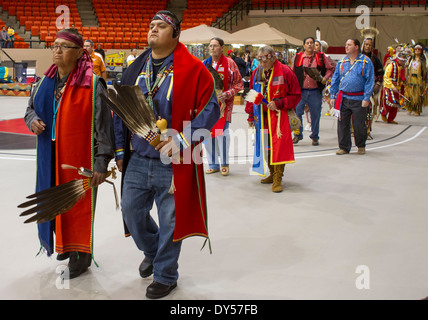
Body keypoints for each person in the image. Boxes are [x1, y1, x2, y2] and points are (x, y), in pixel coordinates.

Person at [113, 10, 220, 299]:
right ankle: (152, 250)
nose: (153, 30)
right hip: (138, 156)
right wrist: (121, 150)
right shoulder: (135, 68)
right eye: (151, 25)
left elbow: (211, 110)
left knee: (171, 220)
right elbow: (120, 110)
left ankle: (165, 275)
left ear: (175, 34)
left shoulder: (195, 69)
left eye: (161, 26)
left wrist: (183, 140)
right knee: (131, 211)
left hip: (174, 161)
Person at [24, 28, 115, 279]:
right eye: (54, 45)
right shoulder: (45, 82)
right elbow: (29, 109)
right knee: (55, 203)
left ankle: (81, 257)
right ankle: (63, 245)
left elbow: (104, 128)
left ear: (78, 53)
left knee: (77, 205)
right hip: (50, 156)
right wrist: (32, 120)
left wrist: (101, 163)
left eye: (64, 46)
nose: (57, 50)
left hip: (79, 159)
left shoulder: (93, 84)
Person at [245, 46, 301, 193]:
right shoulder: (257, 73)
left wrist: (279, 103)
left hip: (278, 116)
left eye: (264, 62)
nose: (262, 65)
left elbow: (296, 95)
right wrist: (250, 115)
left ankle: (278, 178)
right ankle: (271, 173)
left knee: (279, 148)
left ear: (273, 58)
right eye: (260, 61)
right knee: (265, 147)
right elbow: (252, 94)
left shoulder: (286, 71)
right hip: (261, 117)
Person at [203, 37, 243, 176]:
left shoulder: (230, 63)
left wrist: (228, 94)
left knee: (222, 135)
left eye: (215, 46)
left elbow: (239, 84)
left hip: (224, 106)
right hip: (208, 106)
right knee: (208, 135)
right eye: (210, 45)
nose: (212, 48)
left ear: (222, 47)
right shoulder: (204, 64)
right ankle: (213, 164)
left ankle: (224, 163)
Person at [330, 39, 375, 155]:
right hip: (343, 98)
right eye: (346, 45)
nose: (346, 47)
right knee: (342, 124)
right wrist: (332, 95)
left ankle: (361, 145)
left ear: (357, 47)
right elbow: (335, 79)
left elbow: (370, 81)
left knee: (359, 124)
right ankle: (344, 147)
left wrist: (366, 98)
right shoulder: (341, 62)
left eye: (349, 45)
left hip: (359, 99)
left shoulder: (365, 61)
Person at [292, 36, 334, 146]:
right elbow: (292, 72)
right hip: (301, 91)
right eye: (308, 43)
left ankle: (315, 136)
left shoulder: (320, 57)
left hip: (315, 91)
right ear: (304, 45)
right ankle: (297, 134)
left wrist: (325, 78)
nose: (310, 44)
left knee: (315, 114)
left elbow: (330, 68)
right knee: (297, 112)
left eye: (312, 42)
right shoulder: (298, 57)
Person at [381, 49, 408, 124]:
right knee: (390, 101)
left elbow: (403, 78)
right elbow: (386, 77)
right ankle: (383, 113)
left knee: (396, 104)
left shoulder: (402, 67)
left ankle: (391, 118)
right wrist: (392, 87)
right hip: (389, 87)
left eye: (404, 61)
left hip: (398, 88)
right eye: (402, 60)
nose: (403, 62)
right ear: (398, 59)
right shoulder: (391, 65)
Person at [405, 43, 427, 116]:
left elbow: (425, 70)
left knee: (417, 95)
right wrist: (406, 77)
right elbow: (407, 67)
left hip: (419, 79)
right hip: (411, 78)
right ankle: (410, 107)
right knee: (410, 94)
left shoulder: (423, 60)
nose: (417, 50)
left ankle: (417, 110)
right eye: (416, 49)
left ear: (421, 51)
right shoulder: (411, 59)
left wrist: (426, 80)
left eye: (419, 49)